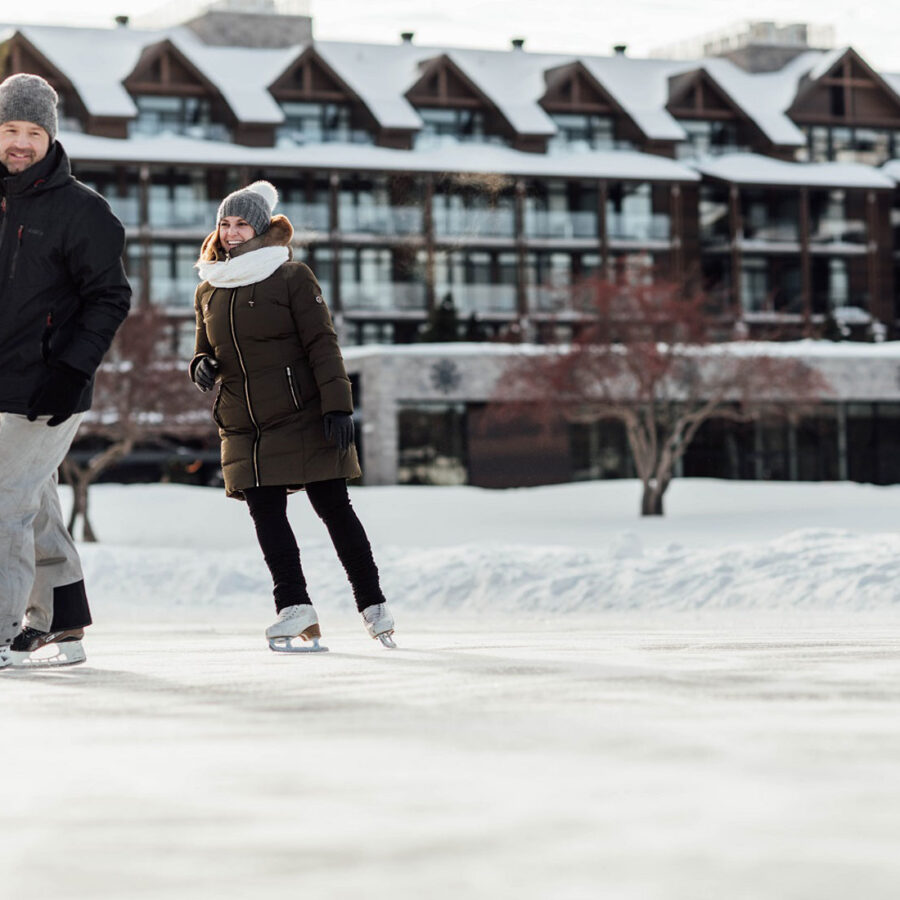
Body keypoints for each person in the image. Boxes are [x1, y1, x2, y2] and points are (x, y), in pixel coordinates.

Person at [189, 180, 395, 651]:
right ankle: (294, 606)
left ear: (261, 229)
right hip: (243, 420)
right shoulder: (208, 288)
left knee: (333, 508)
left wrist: (339, 405)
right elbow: (206, 348)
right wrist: (200, 365)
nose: (232, 232)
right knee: (265, 513)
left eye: (242, 223)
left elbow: (322, 343)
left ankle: (372, 602)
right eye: (225, 223)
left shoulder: (291, 276)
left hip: (301, 411)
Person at [0, 74, 131, 669]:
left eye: (32, 131)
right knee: (34, 498)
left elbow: (110, 297)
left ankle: (2, 633)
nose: (20, 142)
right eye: (9, 129)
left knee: (5, 502)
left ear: (50, 137)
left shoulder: (83, 210)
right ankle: (64, 619)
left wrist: (71, 366)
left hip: (47, 386)